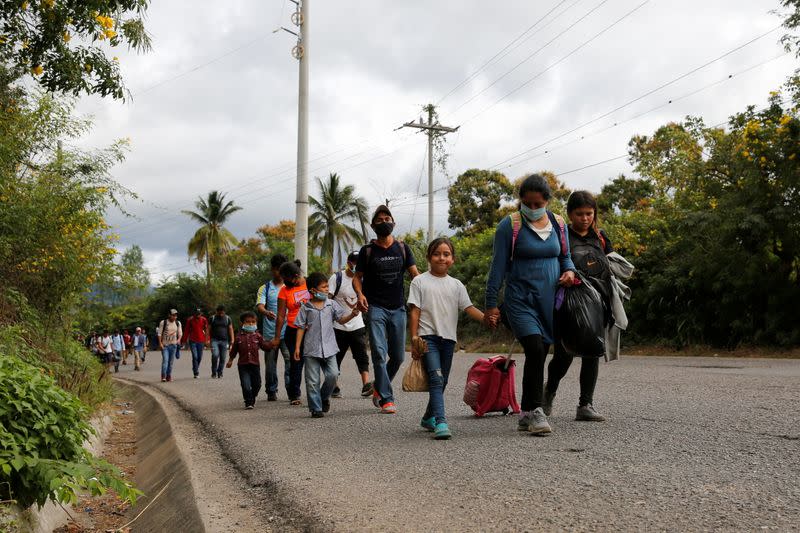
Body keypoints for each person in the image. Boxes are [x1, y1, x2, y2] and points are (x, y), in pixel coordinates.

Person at [485, 174, 576, 435]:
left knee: (540, 351)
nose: (532, 209)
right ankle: (537, 411)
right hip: (519, 300)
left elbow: (566, 257)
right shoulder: (509, 226)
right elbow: (497, 267)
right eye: (527, 204)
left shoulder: (559, 224)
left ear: (547, 201)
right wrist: (491, 305)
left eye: (538, 204)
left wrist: (569, 272)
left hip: (548, 301)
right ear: (521, 201)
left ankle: (525, 412)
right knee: (535, 348)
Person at [408, 238, 488, 440]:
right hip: (428, 339)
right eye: (437, 254)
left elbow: (468, 308)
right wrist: (414, 337)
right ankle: (441, 422)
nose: (441, 258)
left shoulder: (457, 285)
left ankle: (428, 417)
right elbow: (414, 311)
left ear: (452, 259)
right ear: (428, 258)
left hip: (449, 340)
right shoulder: (419, 281)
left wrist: (487, 319)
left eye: (446, 254)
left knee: (442, 381)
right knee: (436, 378)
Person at [545, 191, 613, 422]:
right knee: (564, 353)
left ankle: (586, 404)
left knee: (593, 350)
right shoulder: (561, 237)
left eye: (589, 214)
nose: (585, 218)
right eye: (579, 214)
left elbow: (612, 264)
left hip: (597, 302)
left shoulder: (600, 237)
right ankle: (549, 392)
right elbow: (554, 266)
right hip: (568, 304)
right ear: (570, 214)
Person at [353, 205, 420, 414]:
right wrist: (360, 294)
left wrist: (427, 293)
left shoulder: (402, 248)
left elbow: (415, 275)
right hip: (376, 308)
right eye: (380, 220)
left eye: (387, 218)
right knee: (379, 354)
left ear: (393, 223)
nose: (384, 222)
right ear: (373, 226)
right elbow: (357, 277)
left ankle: (379, 388)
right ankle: (386, 399)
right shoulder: (367, 251)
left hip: (398, 308)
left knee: (398, 356)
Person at [294, 272, 361, 418]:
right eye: (323, 287)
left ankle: (324, 397)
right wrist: (297, 347)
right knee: (312, 381)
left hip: (330, 348)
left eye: (327, 286)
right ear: (312, 290)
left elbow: (341, 320)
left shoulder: (332, 304)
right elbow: (300, 327)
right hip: (311, 349)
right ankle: (316, 408)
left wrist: (352, 315)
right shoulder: (306, 308)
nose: (326, 289)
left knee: (333, 374)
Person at [328, 251, 373, 399]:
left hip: (357, 324)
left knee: (361, 355)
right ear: (349, 263)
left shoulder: (364, 279)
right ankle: (334, 385)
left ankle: (366, 384)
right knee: (337, 356)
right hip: (338, 325)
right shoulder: (337, 278)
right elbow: (328, 300)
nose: (356, 266)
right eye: (354, 263)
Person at [270, 260, 310, 405]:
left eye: (286, 280)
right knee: (296, 362)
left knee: (314, 362)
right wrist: (276, 337)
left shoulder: (310, 284)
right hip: (293, 331)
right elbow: (281, 316)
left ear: (296, 276)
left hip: (311, 330)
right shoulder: (284, 291)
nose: (285, 283)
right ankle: (295, 394)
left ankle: (322, 390)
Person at [256, 253, 291, 401]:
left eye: (282, 270)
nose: (280, 273)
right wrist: (265, 312)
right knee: (270, 365)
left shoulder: (290, 287)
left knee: (290, 361)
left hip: (288, 331)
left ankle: (292, 391)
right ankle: (271, 390)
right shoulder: (265, 288)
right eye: (277, 270)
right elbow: (260, 306)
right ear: (272, 269)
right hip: (270, 333)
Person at [226, 311, 272, 409]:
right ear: (242, 323)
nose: (251, 324)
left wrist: (272, 344)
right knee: (245, 385)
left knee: (257, 384)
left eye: (253, 322)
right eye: (248, 322)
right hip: (243, 365)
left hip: (255, 365)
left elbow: (265, 346)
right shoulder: (238, 337)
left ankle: (252, 396)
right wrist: (230, 360)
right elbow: (234, 351)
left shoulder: (258, 336)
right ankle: (248, 402)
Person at [158, 309, 183, 382]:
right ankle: (163, 376)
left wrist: (179, 340)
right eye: (173, 315)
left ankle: (169, 376)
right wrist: (160, 343)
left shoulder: (178, 323)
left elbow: (180, 333)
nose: (175, 317)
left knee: (171, 362)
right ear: (169, 315)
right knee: (165, 361)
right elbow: (159, 334)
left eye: (175, 315)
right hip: (165, 345)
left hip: (173, 345)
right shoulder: (164, 322)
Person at [209, 305, 234, 379]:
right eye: (219, 313)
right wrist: (207, 339)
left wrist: (232, 339)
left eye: (222, 313)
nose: (221, 314)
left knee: (223, 358)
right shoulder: (212, 318)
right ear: (217, 311)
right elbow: (208, 329)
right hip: (214, 340)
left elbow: (230, 329)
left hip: (224, 341)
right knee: (215, 355)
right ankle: (214, 372)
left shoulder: (227, 318)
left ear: (224, 312)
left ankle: (220, 372)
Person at [183, 308, 209, 379]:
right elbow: (186, 330)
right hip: (192, 340)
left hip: (201, 340)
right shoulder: (190, 320)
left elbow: (206, 330)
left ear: (201, 314)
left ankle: (195, 367)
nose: (198, 315)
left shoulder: (204, 319)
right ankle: (196, 372)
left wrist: (207, 340)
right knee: (195, 356)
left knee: (199, 357)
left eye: (199, 314)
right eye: (197, 314)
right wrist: (184, 341)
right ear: (194, 314)